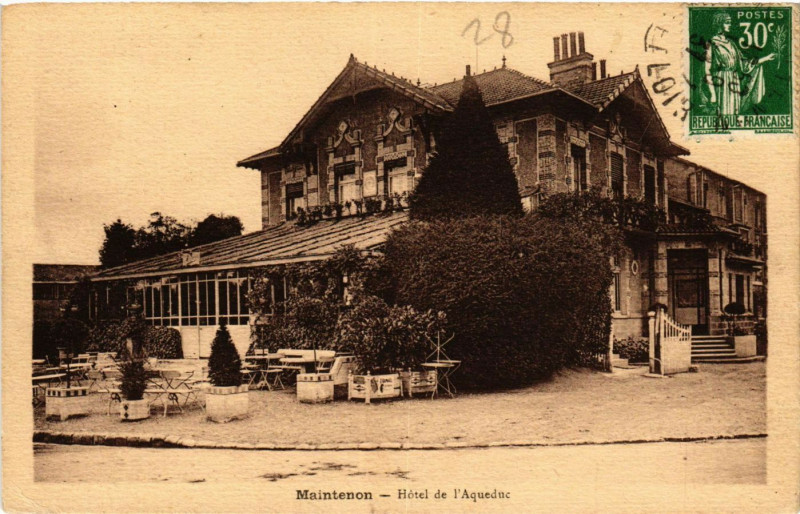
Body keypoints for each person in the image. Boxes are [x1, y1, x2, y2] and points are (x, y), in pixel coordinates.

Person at [704, 12, 776, 115]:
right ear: (720, 24)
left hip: (734, 80)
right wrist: (713, 94)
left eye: (730, 23)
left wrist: (765, 58)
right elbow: (707, 69)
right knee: (723, 114)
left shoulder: (731, 43)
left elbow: (744, 64)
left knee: (734, 114)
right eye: (727, 23)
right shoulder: (712, 43)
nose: (730, 25)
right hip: (721, 82)